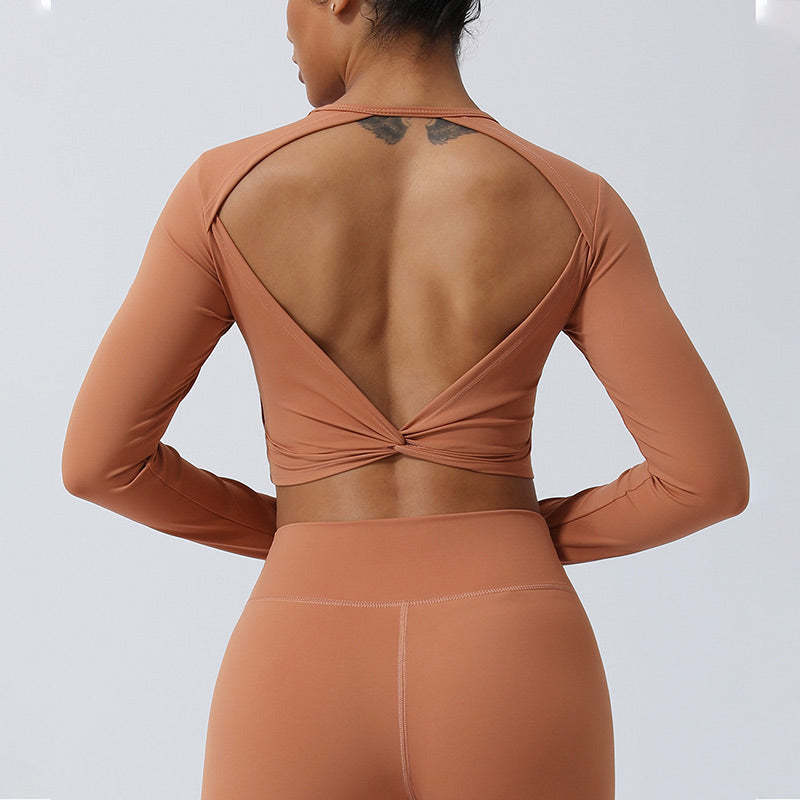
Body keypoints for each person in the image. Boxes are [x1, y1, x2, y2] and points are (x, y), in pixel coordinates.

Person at [61, 0, 750, 797]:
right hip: (511, 644)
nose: (284, 22)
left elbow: (99, 464)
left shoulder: (222, 190)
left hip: (301, 638)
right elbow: (705, 481)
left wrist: (301, 534)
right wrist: (513, 539)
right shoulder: (577, 202)